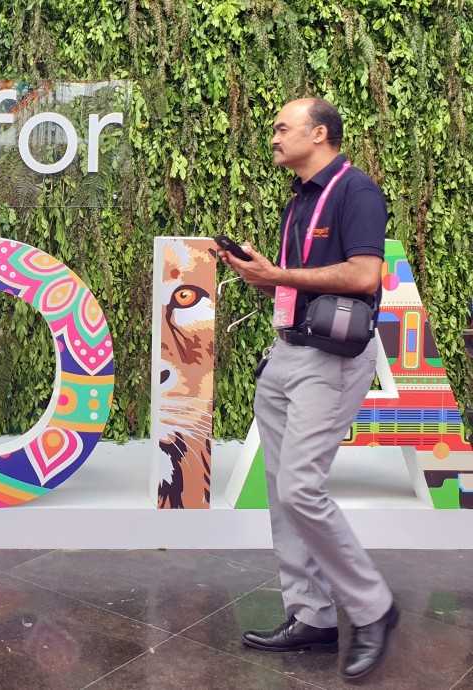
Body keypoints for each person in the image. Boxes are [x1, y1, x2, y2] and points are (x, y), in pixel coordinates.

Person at [219, 98, 398, 680]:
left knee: (299, 488)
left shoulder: (355, 191)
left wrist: (279, 274)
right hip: (288, 353)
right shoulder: (299, 199)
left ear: (318, 134)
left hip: (333, 359)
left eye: (281, 128)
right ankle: (313, 617)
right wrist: (263, 272)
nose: (272, 137)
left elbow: (365, 274)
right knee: (280, 492)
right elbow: (298, 280)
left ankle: (374, 609)